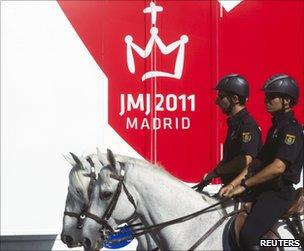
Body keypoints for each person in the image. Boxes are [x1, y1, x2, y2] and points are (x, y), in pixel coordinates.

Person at [220, 74, 304, 250]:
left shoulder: (292, 129)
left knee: (248, 235)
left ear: (287, 101)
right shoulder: (275, 128)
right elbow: (256, 163)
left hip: (279, 194)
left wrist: (245, 184)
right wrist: (234, 185)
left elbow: (277, 167)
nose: (267, 100)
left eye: (272, 96)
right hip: (264, 190)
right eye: (266, 96)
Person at [196, 74, 262, 192]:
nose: (217, 101)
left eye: (221, 97)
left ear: (235, 99)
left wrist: (217, 171)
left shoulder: (247, 125)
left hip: (243, 191)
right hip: (231, 188)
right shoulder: (235, 124)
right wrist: (213, 173)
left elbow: (245, 160)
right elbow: (231, 159)